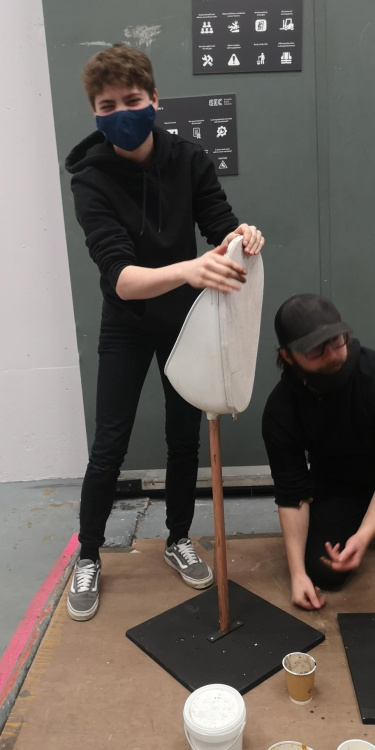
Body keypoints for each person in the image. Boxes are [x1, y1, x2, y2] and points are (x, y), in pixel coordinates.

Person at [65, 44, 264, 621]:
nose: (122, 111)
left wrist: (243, 239)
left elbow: (222, 229)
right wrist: (188, 269)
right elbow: (122, 279)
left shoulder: (189, 159)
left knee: (184, 438)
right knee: (110, 444)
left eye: (132, 100)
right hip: (126, 323)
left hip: (184, 320)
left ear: (154, 100)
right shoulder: (90, 179)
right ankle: (89, 554)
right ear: (95, 112)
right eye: (108, 105)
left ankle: (178, 537)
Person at [262, 293, 375, 610]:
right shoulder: (280, 410)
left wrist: (364, 534)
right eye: (315, 348)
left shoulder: (371, 375)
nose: (332, 354)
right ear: (287, 355)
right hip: (339, 486)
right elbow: (292, 493)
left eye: (337, 341)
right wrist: (297, 574)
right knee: (322, 571)